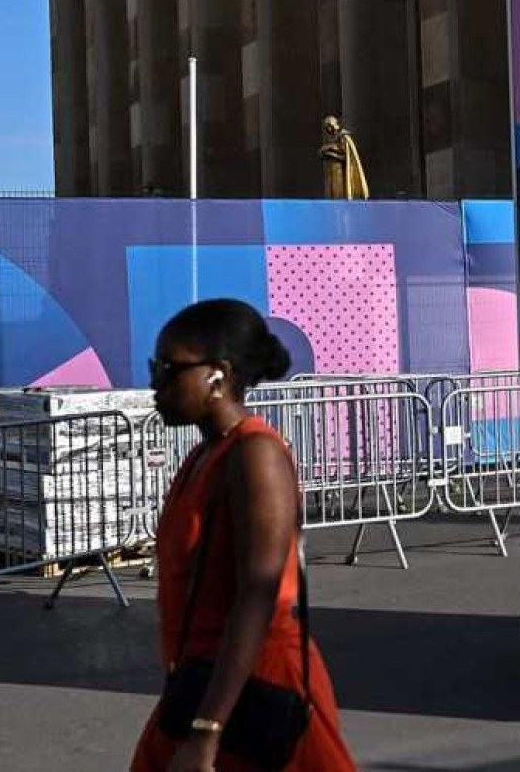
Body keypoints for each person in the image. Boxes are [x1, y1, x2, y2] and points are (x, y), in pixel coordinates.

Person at [132, 300, 355, 772]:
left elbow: (258, 592)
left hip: (257, 687)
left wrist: (207, 731)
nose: (155, 383)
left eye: (168, 368)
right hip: (202, 683)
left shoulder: (256, 455)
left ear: (217, 375)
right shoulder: (203, 457)